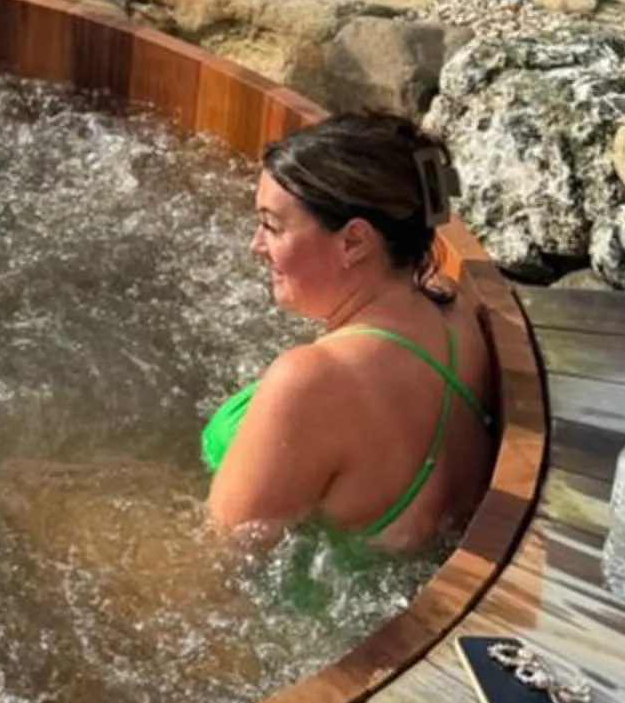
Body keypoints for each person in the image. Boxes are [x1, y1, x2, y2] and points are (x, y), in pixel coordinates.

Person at [203, 116, 497, 550]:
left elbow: (220, 556)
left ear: (355, 242)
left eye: (272, 226)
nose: (255, 245)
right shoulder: (452, 313)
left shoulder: (312, 381)